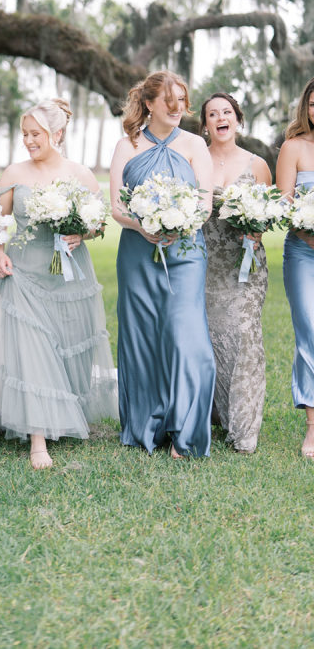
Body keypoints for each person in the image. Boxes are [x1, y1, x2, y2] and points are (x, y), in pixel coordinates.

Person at [0, 98, 118, 470]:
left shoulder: (79, 173)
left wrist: (84, 232)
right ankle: (37, 439)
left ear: (57, 133)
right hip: (25, 270)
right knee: (33, 350)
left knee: (68, 347)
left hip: (69, 272)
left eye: (36, 134)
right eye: (25, 134)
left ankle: (63, 414)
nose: (29, 141)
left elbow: (99, 222)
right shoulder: (13, 173)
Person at [110, 70, 215, 458]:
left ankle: (186, 430)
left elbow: (204, 205)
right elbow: (117, 206)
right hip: (138, 252)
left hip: (186, 252)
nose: (177, 109)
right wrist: (143, 225)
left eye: (182, 101)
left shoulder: (193, 144)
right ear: (149, 104)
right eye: (169, 101)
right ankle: (146, 426)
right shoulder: (127, 145)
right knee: (142, 336)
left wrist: (180, 222)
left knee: (185, 336)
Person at [200, 92, 272, 454]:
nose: (220, 118)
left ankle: (244, 428)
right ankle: (215, 415)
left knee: (243, 338)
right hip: (206, 264)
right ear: (206, 124)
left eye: (226, 111)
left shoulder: (257, 164)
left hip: (246, 265)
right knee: (211, 339)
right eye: (212, 114)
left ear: (237, 119)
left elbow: (269, 209)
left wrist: (257, 229)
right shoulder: (195, 160)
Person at [276, 76, 314, 458]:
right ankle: (312, 429)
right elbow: (283, 204)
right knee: (311, 333)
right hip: (303, 252)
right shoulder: (293, 147)